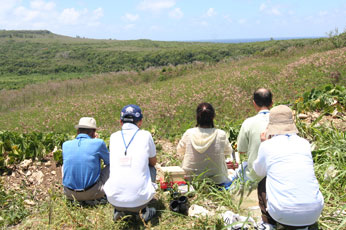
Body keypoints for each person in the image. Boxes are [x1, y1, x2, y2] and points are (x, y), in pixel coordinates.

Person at [253, 105, 324, 230]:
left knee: (263, 182)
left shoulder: (267, 146)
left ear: (271, 125)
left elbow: (259, 171)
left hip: (282, 213)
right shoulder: (304, 144)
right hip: (314, 213)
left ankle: (267, 223)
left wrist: (263, 143)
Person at [104, 104, 157, 222]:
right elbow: (153, 162)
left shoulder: (113, 137)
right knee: (152, 169)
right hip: (140, 201)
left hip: (113, 199)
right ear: (140, 122)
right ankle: (144, 211)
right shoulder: (146, 135)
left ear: (121, 122)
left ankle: (119, 210)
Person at [177, 102, 233, 188]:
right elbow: (229, 151)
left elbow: (179, 150)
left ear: (197, 117)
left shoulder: (189, 133)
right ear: (213, 117)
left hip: (190, 179)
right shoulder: (220, 134)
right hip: (217, 180)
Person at [62, 117, 110, 202]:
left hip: (69, 194)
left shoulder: (65, 145)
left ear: (77, 132)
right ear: (93, 133)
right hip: (92, 193)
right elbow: (109, 162)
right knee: (113, 165)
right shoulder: (98, 143)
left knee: (64, 166)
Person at [233, 88, 272, 185]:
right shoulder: (281, 121)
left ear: (254, 103)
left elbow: (241, 150)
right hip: (276, 172)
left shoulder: (248, 122)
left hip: (255, 176)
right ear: (271, 103)